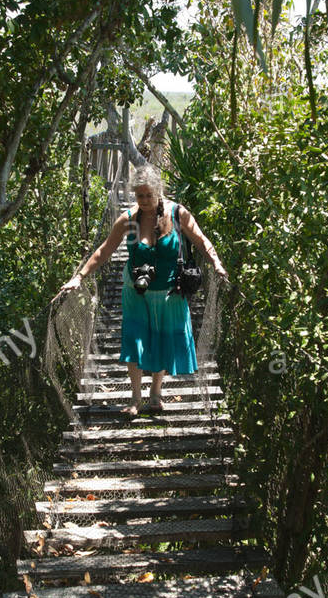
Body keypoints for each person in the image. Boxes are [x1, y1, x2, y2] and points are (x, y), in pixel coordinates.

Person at [58, 164, 228, 414]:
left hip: (170, 293)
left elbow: (201, 241)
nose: (145, 200)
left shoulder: (178, 213)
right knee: (136, 341)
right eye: (140, 195)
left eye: (149, 195)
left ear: (159, 191)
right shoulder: (128, 219)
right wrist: (79, 277)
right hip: (136, 292)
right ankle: (135, 399)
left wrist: (217, 263)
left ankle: (156, 394)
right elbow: (104, 251)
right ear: (134, 195)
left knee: (161, 340)